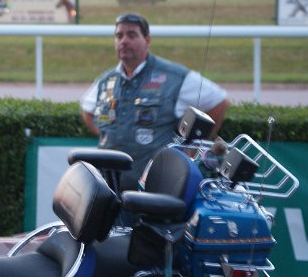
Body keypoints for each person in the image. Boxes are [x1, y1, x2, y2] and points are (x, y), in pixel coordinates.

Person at [80, 13, 230, 191]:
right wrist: (107, 136)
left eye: (132, 35)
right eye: (119, 36)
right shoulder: (107, 80)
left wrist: (191, 147)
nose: (124, 41)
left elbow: (219, 101)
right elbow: (87, 109)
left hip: (152, 190)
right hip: (108, 186)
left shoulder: (173, 77)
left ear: (147, 40)